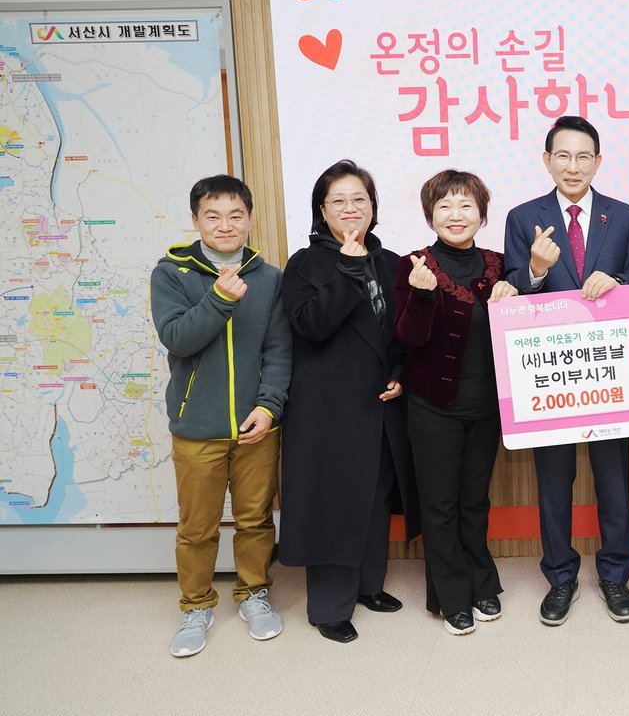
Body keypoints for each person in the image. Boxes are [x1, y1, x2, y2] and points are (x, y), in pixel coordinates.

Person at [503, 115, 629, 625]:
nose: (572, 166)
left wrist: (618, 282)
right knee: (553, 482)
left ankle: (615, 575)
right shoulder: (524, 217)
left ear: (598, 161)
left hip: (608, 373)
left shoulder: (625, 216)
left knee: (613, 480)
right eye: (562, 156)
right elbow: (511, 288)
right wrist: (536, 270)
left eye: (583, 156)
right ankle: (560, 576)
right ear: (547, 161)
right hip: (551, 375)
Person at [279, 159, 421, 643]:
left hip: (381, 403)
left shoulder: (392, 261)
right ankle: (329, 607)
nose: (350, 208)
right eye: (338, 201)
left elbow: (401, 332)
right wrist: (348, 267)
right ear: (321, 210)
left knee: (375, 498)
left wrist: (400, 374)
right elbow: (312, 324)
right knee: (335, 502)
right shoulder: (304, 263)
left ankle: (368, 586)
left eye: (359, 199)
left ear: (373, 206)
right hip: (329, 410)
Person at [151, 174, 292, 658]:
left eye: (236, 215)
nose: (225, 225)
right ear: (196, 220)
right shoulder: (171, 273)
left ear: (250, 219)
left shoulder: (269, 277)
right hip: (197, 427)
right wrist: (220, 298)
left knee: (255, 519)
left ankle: (254, 594)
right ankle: (195, 605)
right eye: (213, 216)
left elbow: (279, 349)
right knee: (197, 526)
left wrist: (269, 407)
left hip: (256, 426)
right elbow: (177, 338)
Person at [395, 170, 518, 636]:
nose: (455, 214)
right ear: (430, 215)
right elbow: (408, 338)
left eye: (466, 205)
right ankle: (450, 596)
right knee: (440, 505)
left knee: (474, 501)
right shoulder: (413, 265)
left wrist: (518, 292)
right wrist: (422, 295)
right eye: (444, 205)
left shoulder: (499, 265)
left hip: (486, 407)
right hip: (432, 407)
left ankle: (481, 582)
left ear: (482, 215)